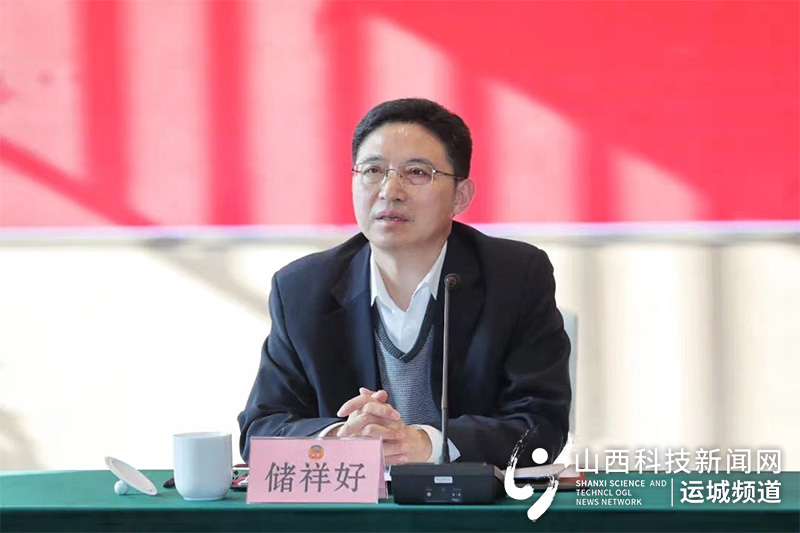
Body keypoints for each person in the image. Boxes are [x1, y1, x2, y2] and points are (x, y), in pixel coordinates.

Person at [238, 98, 571, 468]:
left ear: (460, 196)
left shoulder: (515, 277)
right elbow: (260, 431)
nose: (389, 191)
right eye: (373, 170)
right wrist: (339, 438)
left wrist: (426, 444)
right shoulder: (302, 289)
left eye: (416, 172)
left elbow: (542, 424)